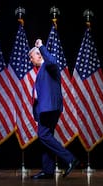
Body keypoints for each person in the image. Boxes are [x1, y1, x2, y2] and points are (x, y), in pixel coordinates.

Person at [29, 39, 79, 179]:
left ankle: (70, 159)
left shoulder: (49, 65)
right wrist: (37, 116)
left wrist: (41, 47)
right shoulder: (40, 71)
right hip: (46, 110)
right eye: (34, 56)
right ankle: (48, 170)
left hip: (50, 108)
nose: (35, 58)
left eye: (38, 54)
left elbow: (52, 61)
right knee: (46, 138)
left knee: (43, 135)